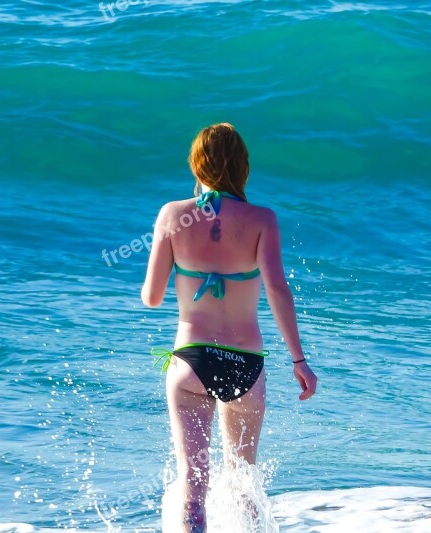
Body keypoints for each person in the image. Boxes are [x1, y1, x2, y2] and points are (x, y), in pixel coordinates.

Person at [141, 122, 318, 532]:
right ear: (243, 167)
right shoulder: (262, 219)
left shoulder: (172, 215)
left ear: (196, 164)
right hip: (245, 365)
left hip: (191, 362)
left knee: (193, 483)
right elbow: (277, 288)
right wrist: (300, 360)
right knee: (244, 481)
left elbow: (151, 298)